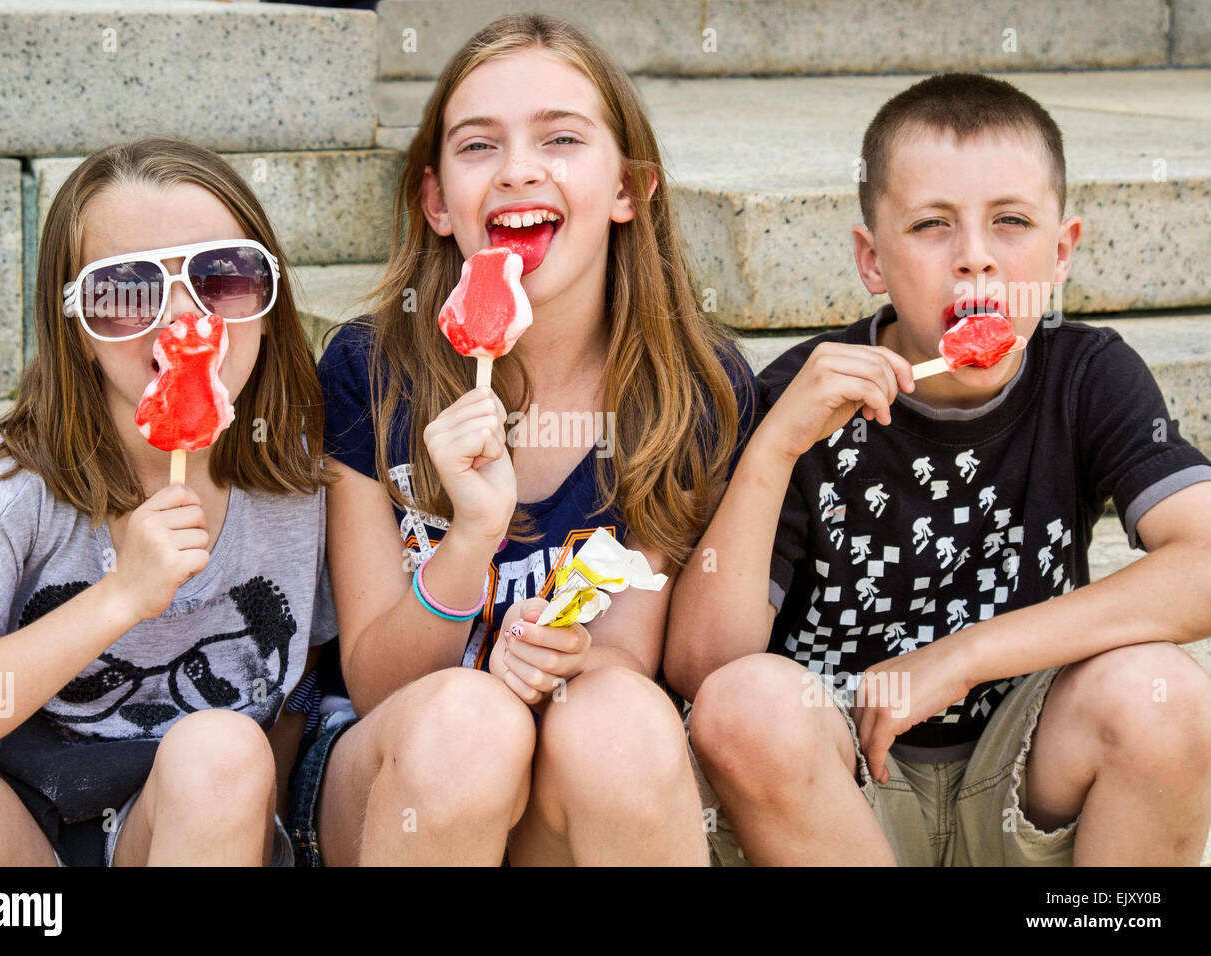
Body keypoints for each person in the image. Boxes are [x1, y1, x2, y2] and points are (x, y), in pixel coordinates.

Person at [666, 73, 1211, 866]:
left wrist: (961, 657)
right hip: (844, 795)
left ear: (1061, 253)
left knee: (1166, 694)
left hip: (1023, 782)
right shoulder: (799, 399)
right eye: (931, 226)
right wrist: (774, 449)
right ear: (872, 259)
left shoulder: (1087, 375)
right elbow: (702, 671)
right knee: (746, 704)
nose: (976, 261)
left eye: (1012, 222)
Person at [295, 13, 756, 865]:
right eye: (478, 146)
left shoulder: (688, 384)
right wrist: (469, 540)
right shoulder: (369, 369)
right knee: (471, 724)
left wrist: (566, 654)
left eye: (562, 138)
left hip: (567, 777)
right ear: (436, 202)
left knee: (618, 715)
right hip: (395, 770)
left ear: (629, 189)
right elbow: (375, 681)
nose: (517, 171)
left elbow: (622, 654)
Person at [0, 138, 336, 866]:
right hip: (29, 834)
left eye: (223, 278)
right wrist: (119, 596)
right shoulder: (17, 481)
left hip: (202, 823)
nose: (181, 318)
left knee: (221, 752)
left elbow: (296, 690)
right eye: (123, 291)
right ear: (74, 327)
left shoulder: (295, 479)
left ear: (267, 306)